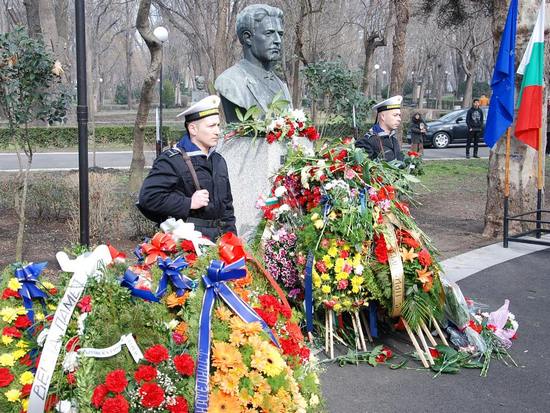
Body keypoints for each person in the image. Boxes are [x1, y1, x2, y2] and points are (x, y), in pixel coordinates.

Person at [137, 95, 237, 240]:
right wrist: (189, 203)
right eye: (211, 126)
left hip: (220, 241)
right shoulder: (172, 160)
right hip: (186, 242)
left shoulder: (218, 160)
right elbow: (149, 198)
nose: (217, 131)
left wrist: (232, 240)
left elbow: (227, 209)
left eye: (218, 125)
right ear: (193, 129)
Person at [215, 4, 292, 123]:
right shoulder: (230, 81)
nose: (278, 41)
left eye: (280, 34)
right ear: (247, 38)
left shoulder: (281, 86)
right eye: (269, 33)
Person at [356, 95, 404, 162]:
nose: (399, 119)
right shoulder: (367, 141)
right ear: (383, 116)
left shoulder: (394, 140)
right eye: (395, 115)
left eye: (399, 115)